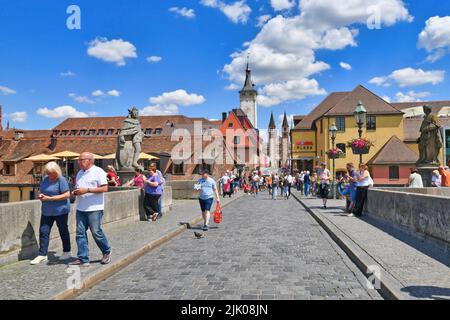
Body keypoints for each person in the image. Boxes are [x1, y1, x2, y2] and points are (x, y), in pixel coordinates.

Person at [69, 152, 111, 267]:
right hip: (81, 207)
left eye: (81, 159)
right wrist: (75, 192)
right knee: (80, 233)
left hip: (95, 208)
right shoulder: (79, 173)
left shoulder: (98, 171)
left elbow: (105, 188)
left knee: (96, 232)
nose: (79, 162)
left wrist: (87, 190)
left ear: (89, 160)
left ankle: (106, 251)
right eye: (79, 160)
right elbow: (78, 187)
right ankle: (83, 258)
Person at [30, 162, 72, 265]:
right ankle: (42, 254)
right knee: (44, 231)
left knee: (63, 230)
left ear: (56, 171)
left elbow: (67, 194)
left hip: (60, 210)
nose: (49, 175)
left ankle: (67, 251)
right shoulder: (45, 179)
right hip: (47, 210)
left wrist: (50, 198)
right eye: (48, 173)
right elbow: (42, 191)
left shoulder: (61, 180)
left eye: (51, 173)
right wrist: (41, 196)